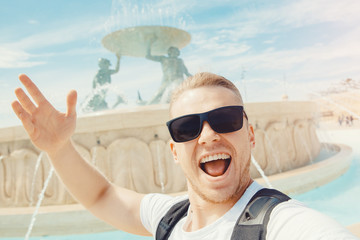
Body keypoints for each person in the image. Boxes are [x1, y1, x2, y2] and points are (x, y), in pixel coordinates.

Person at [11, 73, 357, 239]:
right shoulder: (169, 217)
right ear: (174, 151)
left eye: (225, 119)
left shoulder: (284, 225)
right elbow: (102, 195)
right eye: (187, 127)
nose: (208, 136)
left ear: (250, 135)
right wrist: (59, 149)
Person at [146, 39, 192, 104]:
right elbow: (148, 56)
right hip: (167, 81)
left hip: (179, 81)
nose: (175, 52)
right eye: (173, 51)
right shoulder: (164, 59)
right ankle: (146, 107)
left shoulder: (180, 61)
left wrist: (197, 79)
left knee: (183, 96)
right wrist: (149, 43)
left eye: (176, 51)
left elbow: (187, 72)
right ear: (169, 52)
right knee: (157, 96)